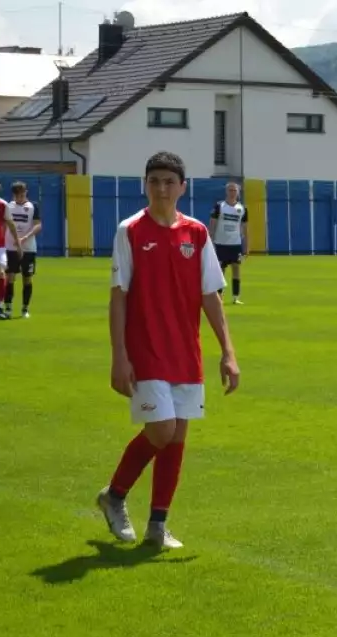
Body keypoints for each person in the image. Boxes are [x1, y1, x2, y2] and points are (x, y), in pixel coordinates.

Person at [97, 151, 241, 550]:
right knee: (161, 430)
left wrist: (228, 351)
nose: (161, 188)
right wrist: (119, 355)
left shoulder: (196, 233)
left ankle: (158, 525)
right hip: (145, 351)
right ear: (145, 185)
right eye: (154, 180)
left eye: (168, 181)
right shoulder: (130, 230)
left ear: (183, 187)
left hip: (185, 352)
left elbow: (210, 296)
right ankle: (115, 495)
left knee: (176, 437)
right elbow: (118, 297)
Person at [0, 180, 23, 320]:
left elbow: (11, 224)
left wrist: (18, 243)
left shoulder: (2, 205)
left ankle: (0, 307)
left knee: (1, 273)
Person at [3, 181, 41, 318]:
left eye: (23, 193)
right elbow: (4, 225)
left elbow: (38, 225)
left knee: (27, 278)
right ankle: (8, 308)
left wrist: (25, 238)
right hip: (11, 247)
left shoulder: (33, 206)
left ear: (26, 192)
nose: (21, 196)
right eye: (18, 194)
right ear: (14, 194)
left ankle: (25, 309)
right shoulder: (8, 206)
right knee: (10, 277)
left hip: (29, 248)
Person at [209, 182, 248, 305]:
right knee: (220, 271)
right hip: (220, 244)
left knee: (236, 269)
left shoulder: (242, 209)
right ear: (226, 191)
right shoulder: (219, 206)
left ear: (238, 192)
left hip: (235, 244)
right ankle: (219, 297)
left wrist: (246, 246)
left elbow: (245, 228)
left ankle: (236, 297)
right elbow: (212, 225)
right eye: (230, 190)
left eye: (234, 190)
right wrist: (211, 242)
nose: (232, 192)